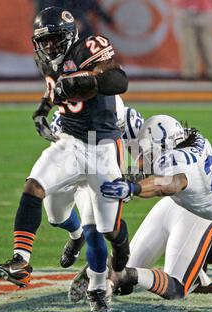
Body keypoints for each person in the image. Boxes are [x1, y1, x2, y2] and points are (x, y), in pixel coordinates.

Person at [0, 6, 128, 312]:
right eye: (45, 40)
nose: (50, 46)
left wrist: (82, 82)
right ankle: (21, 261)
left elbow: (118, 80)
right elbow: (54, 87)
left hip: (103, 148)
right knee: (34, 188)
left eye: (55, 39)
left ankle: (118, 259)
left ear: (70, 35)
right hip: (69, 142)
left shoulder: (88, 48)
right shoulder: (46, 58)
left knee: (108, 229)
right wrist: (41, 110)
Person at [101, 115, 212, 242]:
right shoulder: (193, 140)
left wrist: (134, 188)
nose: (148, 156)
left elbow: (170, 184)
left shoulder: (176, 162)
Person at [69, 196, 212, 302]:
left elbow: (198, 286)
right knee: (175, 288)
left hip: (172, 204)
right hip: (199, 218)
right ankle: (126, 274)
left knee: (123, 279)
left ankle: (97, 267)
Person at [45, 99, 144, 269]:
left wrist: (131, 182)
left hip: (99, 177)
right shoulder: (64, 118)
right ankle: (77, 236)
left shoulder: (129, 119)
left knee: (94, 228)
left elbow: (142, 161)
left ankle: (99, 282)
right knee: (55, 218)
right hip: (70, 173)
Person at [172, 0, 212, 80]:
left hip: (205, 11)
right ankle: (191, 72)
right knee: (189, 44)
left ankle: (211, 72)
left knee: (206, 43)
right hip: (187, 10)